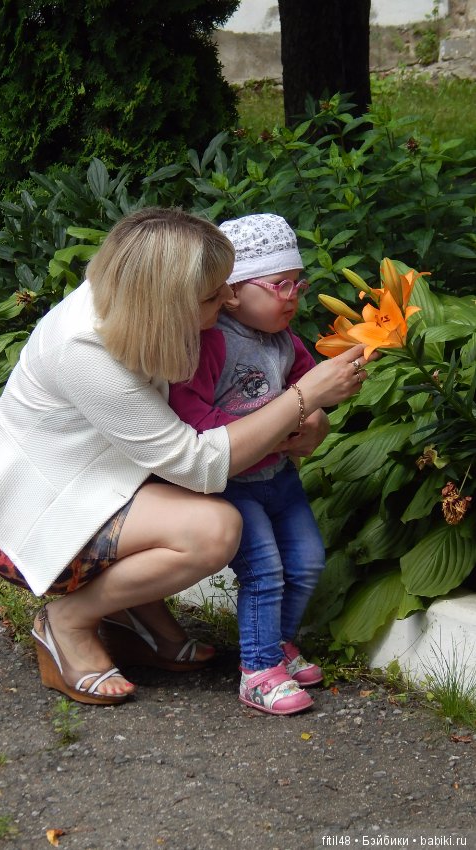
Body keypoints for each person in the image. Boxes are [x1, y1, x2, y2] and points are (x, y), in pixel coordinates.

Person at [0, 207, 369, 707]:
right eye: (213, 293)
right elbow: (198, 466)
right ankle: (68, 620)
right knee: (213, 529)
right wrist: (303, 399)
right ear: (167, 303)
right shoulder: (85, 351)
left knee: (219, 517)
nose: (228, 297)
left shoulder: (135, 299)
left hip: (116, 479)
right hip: (39, 508)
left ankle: (133, 614)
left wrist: (308, 421)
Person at [169, 213, 343, 716]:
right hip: (233, 483)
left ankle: (280, 645)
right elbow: (196, 419)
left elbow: (310, 391)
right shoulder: (210, 340)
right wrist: (277, 429)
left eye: (298, 285)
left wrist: (313, 422)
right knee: (264, 570)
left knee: (307, 560)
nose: (292, 297)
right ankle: (258, 670)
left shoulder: (285, 341)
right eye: (279, 285)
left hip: (279, 478)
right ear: (233, 291)